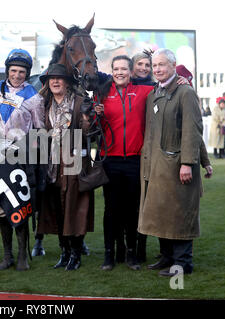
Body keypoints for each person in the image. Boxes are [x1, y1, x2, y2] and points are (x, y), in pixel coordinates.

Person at [139, 48, 204, 277]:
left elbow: (192, 130)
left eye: (162, 65)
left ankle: (183, 263)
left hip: (177, 166)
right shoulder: (154, 93)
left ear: (173, 66)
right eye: (154, 65)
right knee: (160, 213)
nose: (157, 69)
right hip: (156, 166)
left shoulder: (185, 92)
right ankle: (166, 258)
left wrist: (188, 162)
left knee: (179, 214)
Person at [97, 55, 153, 271]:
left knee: (132, 210)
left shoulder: (144, 91)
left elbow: (167, 84)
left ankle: (131, 254)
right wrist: (96, 114)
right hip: (110, 160)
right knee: (111, 210)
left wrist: (183, 79)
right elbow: (95, 126)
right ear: (111, 71)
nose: (119, 72)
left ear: (131, 71)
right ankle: (109, 255)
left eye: (123, 69)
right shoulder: (102, 93)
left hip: (134, 160)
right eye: (116, 68)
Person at [37, 63, 95, 271]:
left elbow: (89, 135)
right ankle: (64, 252)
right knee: (56, 209)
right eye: (51, 78)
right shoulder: (44, 104)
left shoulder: (79, 102)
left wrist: (88, 120)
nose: (55, 81)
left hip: (75, 161)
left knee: (76, 208)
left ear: (67, 82)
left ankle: (76, 254)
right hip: (51, 163)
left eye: (59, 78)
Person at [0, 49, 44, 271]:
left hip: (20, 158)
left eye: (22, 71)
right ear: (7, 70)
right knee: (1, 206)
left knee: (19, 205)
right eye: (13, 70)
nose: (17, 75)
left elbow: (40, 130)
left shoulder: (34, 96)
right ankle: (7, 255)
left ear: (27, 73)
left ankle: (22, 254)